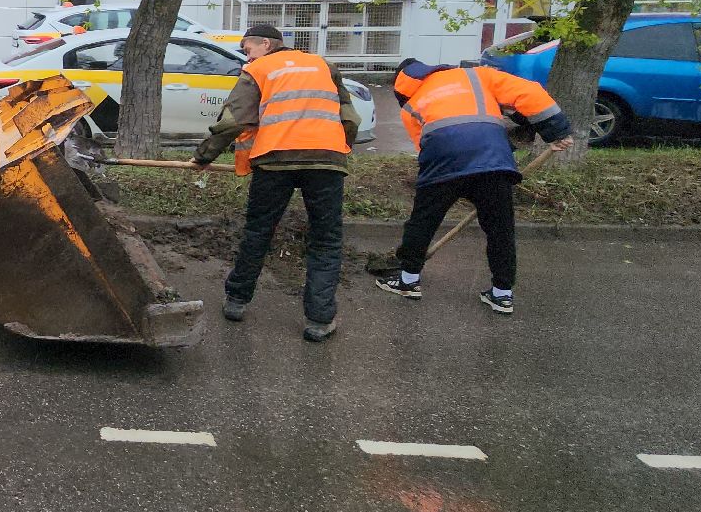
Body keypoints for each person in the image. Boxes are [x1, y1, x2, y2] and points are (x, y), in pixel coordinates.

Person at [193, 23, 361, 342]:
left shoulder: (259, 69)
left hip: (274, 160)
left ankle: (237, 302)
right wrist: (339, 150)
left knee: (258, 231)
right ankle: (319, 321)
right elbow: (351, 118)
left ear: (267, 45)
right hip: (327, 161)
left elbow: (234, 121)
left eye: (248, 49)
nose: (246, 55)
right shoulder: (324, 65)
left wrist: (204, 156)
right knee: (325, 240)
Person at [375, 59, 573, 314]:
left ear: (402, 85)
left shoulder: (411, 105)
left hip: (442, 162)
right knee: (500, 229)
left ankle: (408, 279)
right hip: (492, 161)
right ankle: (502, 295)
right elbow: (530, 93)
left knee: (422, 221)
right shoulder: (478, 76)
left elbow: (423, 146)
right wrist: (557, 131)